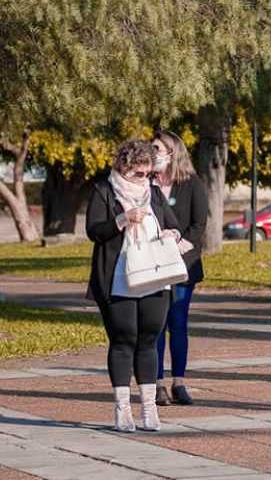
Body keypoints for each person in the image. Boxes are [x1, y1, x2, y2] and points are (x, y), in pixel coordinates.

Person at [86, 139, 183, 432]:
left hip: (155, 276)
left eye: (148, 173)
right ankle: (123, 410)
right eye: (138, 174)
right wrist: (122, 219)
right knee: (123, 341)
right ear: (123, 168)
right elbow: (94, 231)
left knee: (149, 341)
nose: (145, 179)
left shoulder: (153, 194)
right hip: (118, 280)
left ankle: (149, 408)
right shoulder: (104, 192)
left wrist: (173, 234)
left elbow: (174, 224)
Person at [151, 131, 208, 407]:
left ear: (172, 154)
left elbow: (199, 225)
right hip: (153, 265)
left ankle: (179, 383)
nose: (153, 153)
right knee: (157, 325)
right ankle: (158, 384)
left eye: (157, 149)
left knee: (178, 322)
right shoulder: (146, 183)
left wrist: (180, 246)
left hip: (183, 264)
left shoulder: (192, 184)